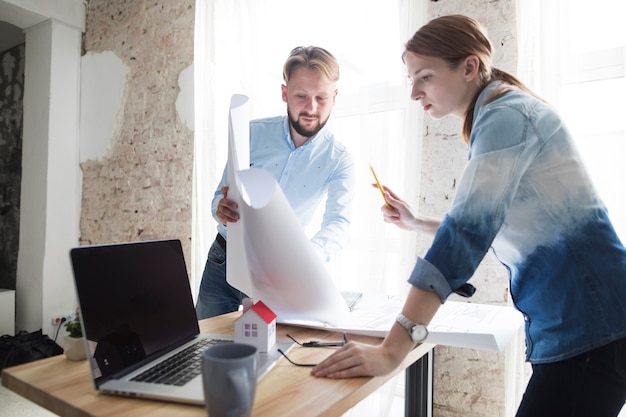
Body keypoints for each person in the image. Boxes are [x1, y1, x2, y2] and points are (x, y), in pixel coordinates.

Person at [311, 15, 626, 417]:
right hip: (587, 327)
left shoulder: (506, 117)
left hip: (591, 328)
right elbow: (497, 221)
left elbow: (466, 235)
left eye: (424, 76)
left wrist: (392, 350)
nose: (413, 93)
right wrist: (418, 222)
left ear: (469, 67)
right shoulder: (502, 112)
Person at [195, 46, 356, 320]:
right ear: (284, 93)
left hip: (279, 275)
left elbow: (338, 223)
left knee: (266, 353)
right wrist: (219, 208)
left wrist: (307, 259)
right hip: (223, 260)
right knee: (203, 347)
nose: (311, 108)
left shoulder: (339, 159)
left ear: (335, 97)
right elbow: (217, 199)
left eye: (322, 98)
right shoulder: (251, 133)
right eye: (301, 96)